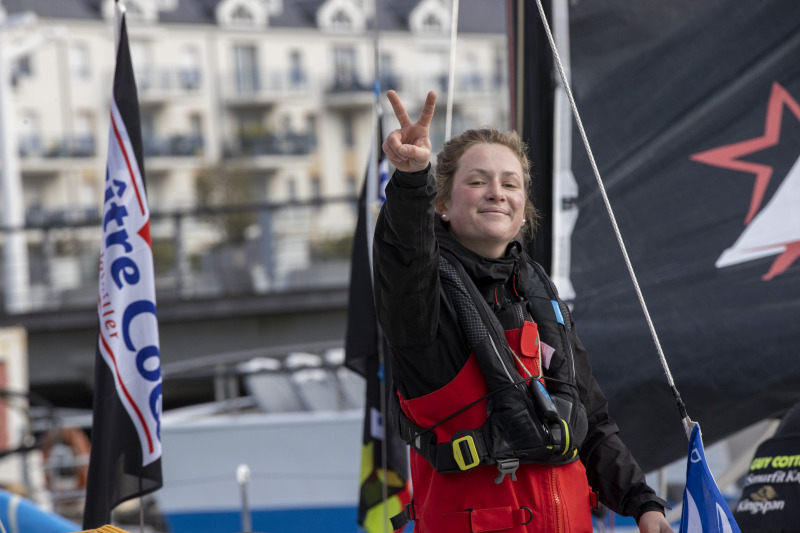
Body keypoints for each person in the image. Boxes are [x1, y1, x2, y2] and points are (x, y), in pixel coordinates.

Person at [373, 89, 673, 533]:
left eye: (510, 183)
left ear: (523, 208)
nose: (496, 193)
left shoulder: (542, 301)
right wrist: (414, 177)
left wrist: (644, 505)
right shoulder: (420, 303)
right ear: (442, 205)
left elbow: (590, 423)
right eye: (477, 181)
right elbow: (404, 254)